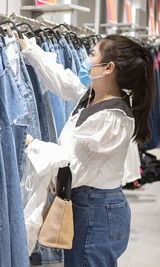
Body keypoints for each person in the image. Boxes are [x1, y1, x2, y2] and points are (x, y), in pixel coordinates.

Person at [17, 34, 156, 266]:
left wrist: (31, 143)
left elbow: (70, 168)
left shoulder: (112, 119)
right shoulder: (93, 97)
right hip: (91, 206)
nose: (86, 59)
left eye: (92, 54)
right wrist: (29, 49)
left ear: (108, 68)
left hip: (98, 212)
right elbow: (63, 82)